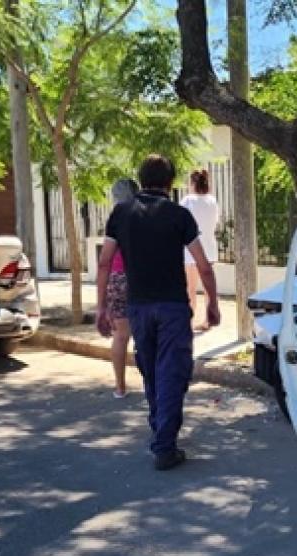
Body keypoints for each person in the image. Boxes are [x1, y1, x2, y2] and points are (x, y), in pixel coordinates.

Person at [99, 155, 221, 471]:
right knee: (172, 372)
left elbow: (103, 262)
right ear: (170, 183)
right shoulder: (179, 216)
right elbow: (203, 266)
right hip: (172, 307)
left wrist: (101, 307)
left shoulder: (121, 214)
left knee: (151, 367)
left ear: (141, 181)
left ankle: (159, 425)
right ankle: (164, 445)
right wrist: (212, 303)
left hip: (138, 307)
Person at [96, 179, 139, 399]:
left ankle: (120, 387)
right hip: (141, 279)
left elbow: (105, 261)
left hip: (118, 277)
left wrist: (100, 304)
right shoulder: (144, 215)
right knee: (146, 333)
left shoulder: (115, 219)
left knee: (121, 336)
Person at [181, 169, 221, 331]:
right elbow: (216, 221)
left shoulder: (188, 201)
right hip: (209, 246)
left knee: (190, 287)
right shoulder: (212, 201)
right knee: (208, 287)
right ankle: (207, 319)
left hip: (191, 249)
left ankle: (189, 320)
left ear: (192, 183)